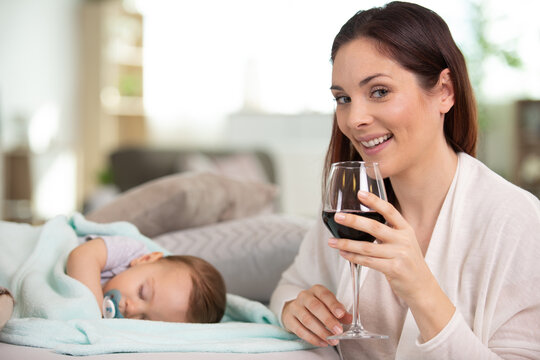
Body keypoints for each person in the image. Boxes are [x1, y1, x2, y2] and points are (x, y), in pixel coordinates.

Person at [269, 1, 540, 359]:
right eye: (343, 99)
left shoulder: (517, 223)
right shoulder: (351, 207)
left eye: (379, 91)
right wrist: (294, 308)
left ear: (444, 91)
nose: (354, 119)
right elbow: (290, 286)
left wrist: (421, 289)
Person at [67, 235, 226, 323]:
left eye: (144, 319)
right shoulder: (129, 252)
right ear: (146, 259)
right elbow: (82, 257)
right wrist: (95, 315)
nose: (132, 310)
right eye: (141, 293)